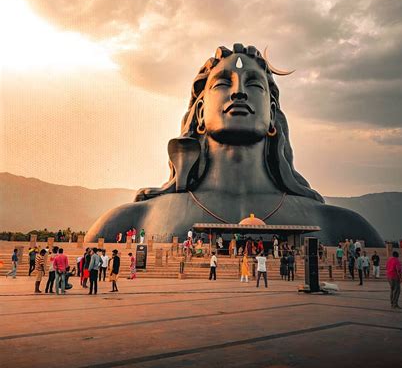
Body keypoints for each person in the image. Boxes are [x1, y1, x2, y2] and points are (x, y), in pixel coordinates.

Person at [86, 45, 384, 248]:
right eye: (223, 84)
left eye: (253, 84)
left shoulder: (340, 224)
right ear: (200, 112)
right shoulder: (129, 220)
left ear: (271, 114)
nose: (239, 92)